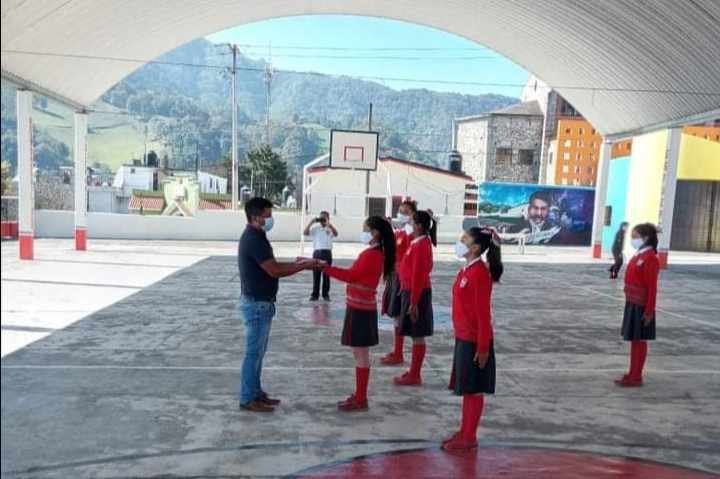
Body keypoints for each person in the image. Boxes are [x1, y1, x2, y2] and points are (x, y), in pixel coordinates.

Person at [238, 197, 324, 412]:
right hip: (257, 304)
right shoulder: (254, 239)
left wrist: (298, 263)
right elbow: (274, 270)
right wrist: (303, 266)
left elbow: (272, 266)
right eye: (268, 216)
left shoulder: (258, 236)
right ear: (256, 217)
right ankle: (248, 398)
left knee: (258, 353)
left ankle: (256, 393)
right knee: (253, 354)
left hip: (261, 303)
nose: (271, 219)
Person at [323, 216, 396, 411]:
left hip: (361, 310)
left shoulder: (372, 255)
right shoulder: (375, 253)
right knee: (359, 354)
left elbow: (350, 276)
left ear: (375, 233)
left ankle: (361, 398)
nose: (363, 232)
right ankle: (360, 395)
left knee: (360, 355)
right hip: (360, 307)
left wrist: (324, 268)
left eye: (365, 229)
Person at [442, 226, 503, 451]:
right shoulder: (466, 271)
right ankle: (465, 430)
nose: (459, 242)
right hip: (463, 337)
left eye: (464, 239)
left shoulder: (479, 273)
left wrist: (483, 347)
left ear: (475, 247)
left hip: (475, 341)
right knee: (467, 388)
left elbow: (483, 314)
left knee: (473, 389)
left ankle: (470, 437)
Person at [394, 210, 436, 386]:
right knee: (414, 333)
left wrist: (413, 302)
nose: (409, 223)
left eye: (412, 221)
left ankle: (415, 374)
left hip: (416, 293)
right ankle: (413, 371)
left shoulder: (420, 245)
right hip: (410, 291)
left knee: (417, 334)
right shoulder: (417, 242)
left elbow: (418, 275)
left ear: (418, 226)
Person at [615, 223, 659, 387]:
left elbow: (652, 288)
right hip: (632, 303)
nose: (633, 239)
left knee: (640, 341)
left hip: (641, 305)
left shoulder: (650, 258)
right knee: (634, 340)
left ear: (645, 238)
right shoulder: (638, 255)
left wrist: (649, 311)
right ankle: (632, 372)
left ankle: (637, 376)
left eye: (636, 236)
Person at [380, 199, 417, 365]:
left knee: (401, 315)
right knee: (395, 314)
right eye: (400, 210)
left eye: (406, 211)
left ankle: (399, 353)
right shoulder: (401, 232)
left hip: (403, 278)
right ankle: (397, 351)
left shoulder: (411, 234)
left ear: (412, 215)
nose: (401, 214)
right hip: (395, 275)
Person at [304, 211, 338, 301]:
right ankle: (315, 295)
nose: (322, 220)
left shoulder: (329, 228)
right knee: (316, 274)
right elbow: (305, 233)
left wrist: (329, 225)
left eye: (324, 218)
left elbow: (336, 234)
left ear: (328, 218)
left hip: (327, 253)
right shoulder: (316, 228)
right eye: (321, 218)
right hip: (317, 253)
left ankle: (325, 295)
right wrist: (311, 223)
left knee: (327, 274)